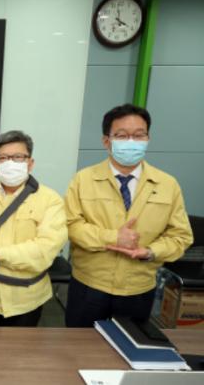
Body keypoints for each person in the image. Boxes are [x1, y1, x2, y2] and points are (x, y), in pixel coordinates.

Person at [65, 104, 193, 327]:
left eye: (139, 135)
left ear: (148, 139)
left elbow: (180, 236)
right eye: (122, 136)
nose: (131, 142)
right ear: (107, 141)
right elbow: (71, 226)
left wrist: (150, 252)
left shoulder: (167, 184)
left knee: (129, 344)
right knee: (80, 343)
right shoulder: (83, 179)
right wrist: (114, 237)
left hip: (138, 287)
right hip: (89, 284)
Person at [0, 131, 67, 326]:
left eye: (18, 157)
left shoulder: (50, 200)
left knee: (22, 346)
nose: (10, 163)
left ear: (30, 163)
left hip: (28, 298)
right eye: (3, 158)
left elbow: (46, 249)